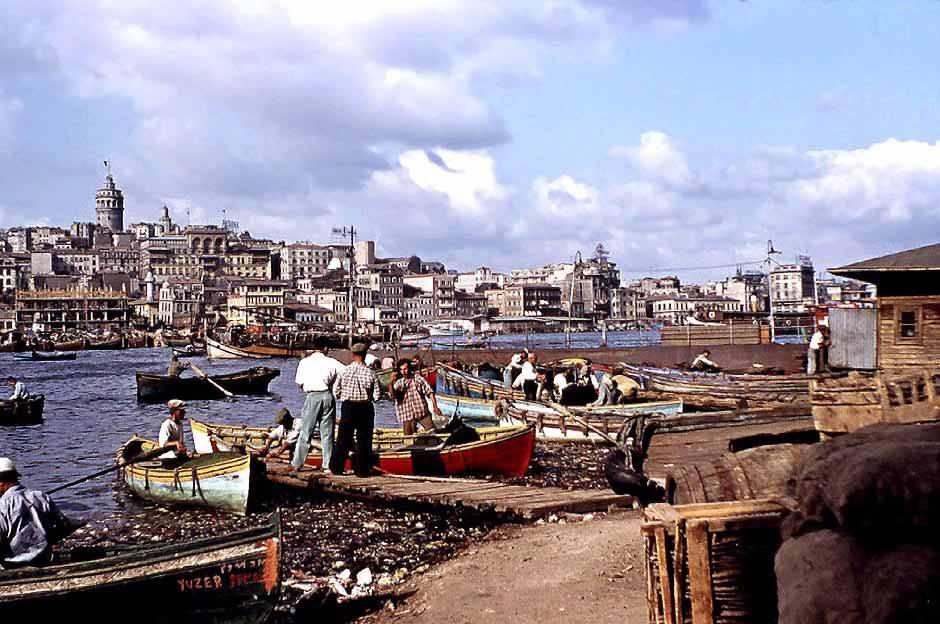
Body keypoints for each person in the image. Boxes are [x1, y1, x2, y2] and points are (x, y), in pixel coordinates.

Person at [0, 458, 73, 567]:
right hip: (45, 559)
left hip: (13, 565)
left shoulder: (2, 506)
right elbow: (64, 526)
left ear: (1, 482)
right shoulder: (41, 496)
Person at [292, 337, 344, 473]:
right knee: (327, 433)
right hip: (327, 395)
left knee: (305, 431)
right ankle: (327, 465)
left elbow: (299, 383)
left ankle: (297, 463)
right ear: (326, 348)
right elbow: (345, 373)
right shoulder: (332, 362)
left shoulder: (305, 362)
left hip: (312, 396)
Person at [331, 343, 381, 477]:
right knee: (364, 439)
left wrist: (344, 396)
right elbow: (377, 396)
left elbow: (335, 391)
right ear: (365, 355)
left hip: (348, 406)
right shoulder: (371, 373)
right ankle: (362, 470)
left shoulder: (344, 371)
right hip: (365, 406)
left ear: (353, 355)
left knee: (343, 438)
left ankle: (336, 467)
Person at [391, 359, 443, 435]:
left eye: (405, 369)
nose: (404, 372)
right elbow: (393, 394)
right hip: (407, 414)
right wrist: (391, 382)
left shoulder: (418, 379)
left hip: (421, 411)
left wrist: (435, 407)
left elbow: (430, 392)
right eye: (401, 370)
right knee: (408, 436)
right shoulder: (399, 383)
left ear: (409, 368)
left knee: (432, 432)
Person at [158, 399, 189, 466]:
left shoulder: (180, 424)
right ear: (175, 412)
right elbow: (163, 444)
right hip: (167, 457)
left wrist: (185, 451)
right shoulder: (167, 425)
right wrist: (176, 443)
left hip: (177, 456)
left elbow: (181, 443)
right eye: (181, 411)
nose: (184, 413)